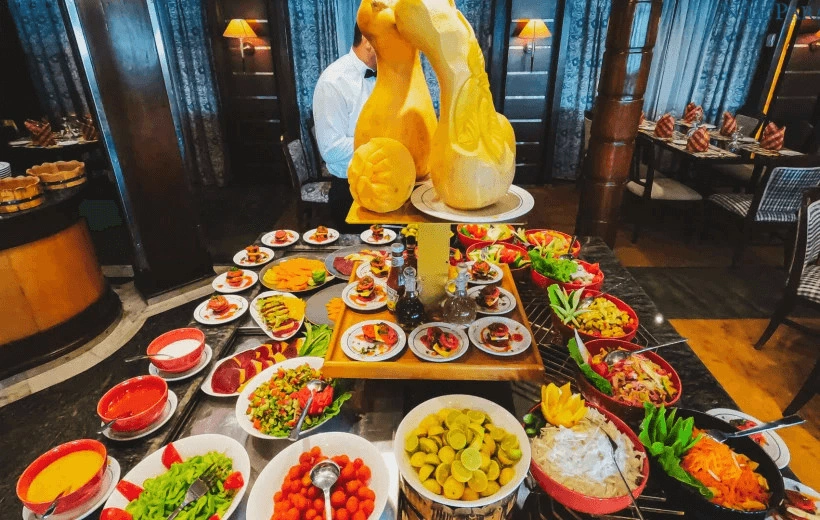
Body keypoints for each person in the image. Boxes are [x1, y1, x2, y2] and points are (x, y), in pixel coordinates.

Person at [313, 23, 377, 227]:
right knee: (361, 249)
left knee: (418, 243)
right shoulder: (333, 82)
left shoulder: (391, 74)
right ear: (367, 40)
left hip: (395, 184)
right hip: (351, 191)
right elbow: (331, 149)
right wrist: (380, 145)